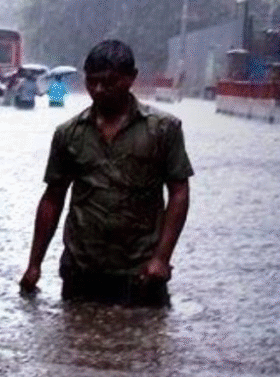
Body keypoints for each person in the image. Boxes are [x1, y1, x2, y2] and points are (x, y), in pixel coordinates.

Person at [19, 39, 193, 306]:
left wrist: (161, 258)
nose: (99, 90)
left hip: (141, 272)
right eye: (92, 82)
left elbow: (179, 193)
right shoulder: (69, 134)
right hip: (81, 270)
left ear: (131, 78)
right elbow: (53, 198)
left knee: (146, 342)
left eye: (109, 82)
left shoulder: (163, 129)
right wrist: (34, 265)